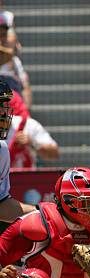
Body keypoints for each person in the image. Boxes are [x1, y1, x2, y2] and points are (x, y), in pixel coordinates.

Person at [0, 79, 34, 223]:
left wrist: (42, 213)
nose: (2, 112)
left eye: (4, 105)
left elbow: (2, 205)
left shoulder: (1, 150)